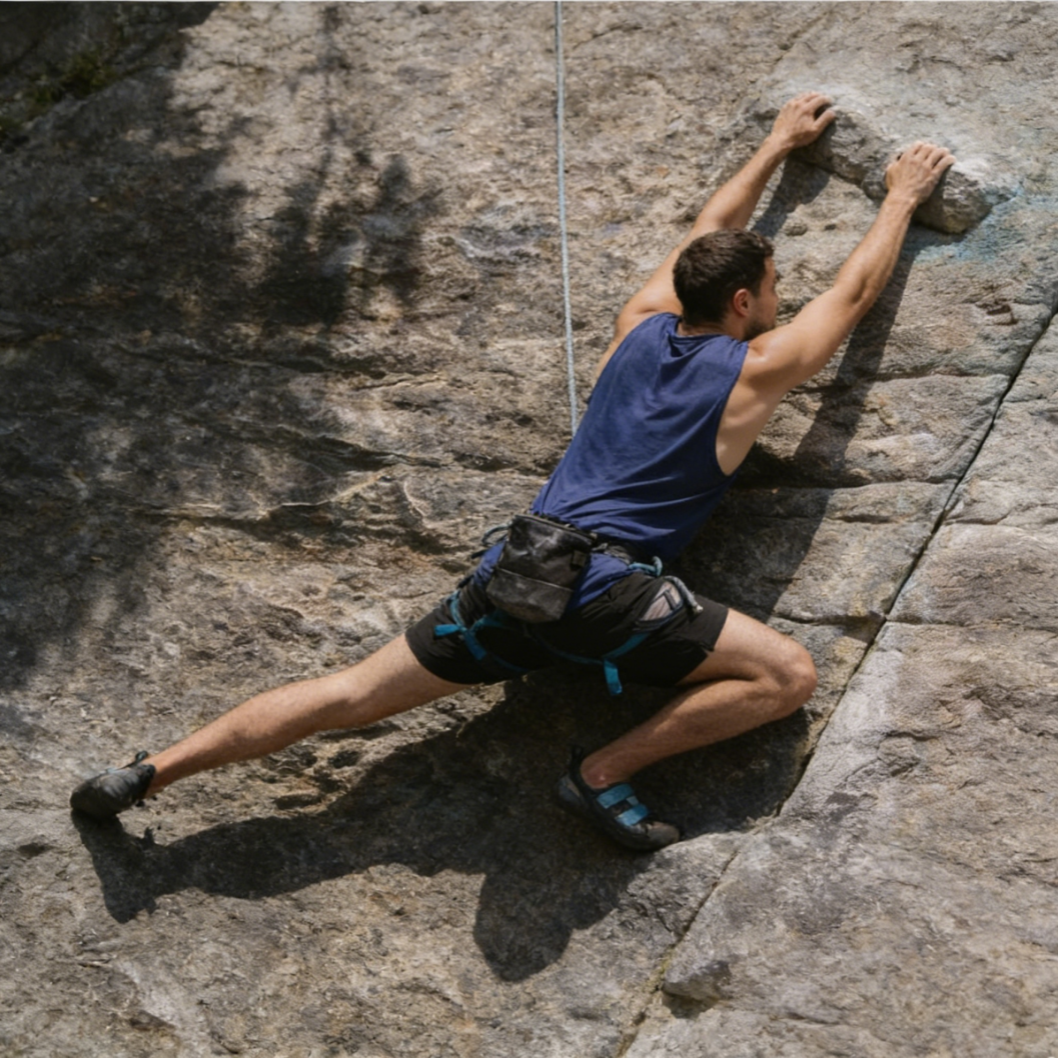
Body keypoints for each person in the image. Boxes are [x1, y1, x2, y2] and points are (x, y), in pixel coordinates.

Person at [71, 93, 955, 851]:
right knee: (785, 677)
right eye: (774, 286)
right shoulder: (752, 372)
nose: (783, 298)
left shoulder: (639, 323)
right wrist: (900, 198)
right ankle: (602, 772)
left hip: (518, 575)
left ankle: (150, 771)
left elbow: (705, 233)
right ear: (742, 303)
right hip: (605, 594)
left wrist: (774, 145)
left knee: (351, 693)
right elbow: (853, 296)